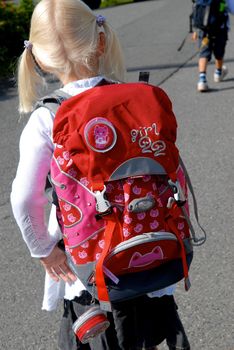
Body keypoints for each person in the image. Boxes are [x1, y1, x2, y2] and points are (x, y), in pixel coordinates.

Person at [11, 0, 190, 349]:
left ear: (37, 59)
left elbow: (24, 198)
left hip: (91, 270)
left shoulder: (47, 118)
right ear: (102, 41)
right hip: (151, 252)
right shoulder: (135, 100)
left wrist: (44, 251)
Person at [192, 0, 229, 92]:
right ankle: (218, 73)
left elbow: (196, 10)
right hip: (220, 29)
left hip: (203, 30)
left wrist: (195, 30)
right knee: (219, 52)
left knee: (203, 53)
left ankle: (202, 79)